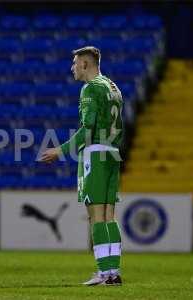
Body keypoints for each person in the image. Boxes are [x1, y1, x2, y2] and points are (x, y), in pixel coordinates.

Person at [40, 46, 123, 286]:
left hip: (96, 154)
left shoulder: (90, 88)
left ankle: (103, 272)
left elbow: (88, 130)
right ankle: (113, 272)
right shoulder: (112, 87)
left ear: (85, 64)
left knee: (96, 216)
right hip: (113, 153)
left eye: (75, 63)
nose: (72, 68)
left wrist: (60, 150)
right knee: (109, 216)